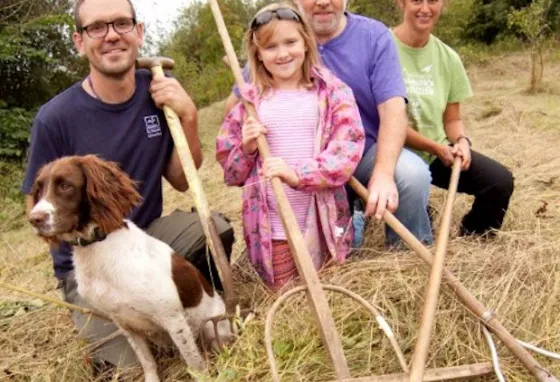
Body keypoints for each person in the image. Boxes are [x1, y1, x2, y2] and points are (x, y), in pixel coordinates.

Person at [21, 0, 234, 372]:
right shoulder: (54, 118)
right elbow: (36, 204)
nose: (112, 35)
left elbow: (183, 180)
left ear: (138, 32)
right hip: (86, 261)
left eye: (121, 23)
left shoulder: (156, 92)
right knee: (125, 370)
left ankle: (186, 306)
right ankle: (116, 326)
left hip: (143, 238)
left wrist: (188, 115)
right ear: (79, 41)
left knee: (215, 229)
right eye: (97, 28)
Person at [226, 0, 434, 247]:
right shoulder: (279, 38)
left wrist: (383, 173)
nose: (323, 2)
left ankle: (407, 255)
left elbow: (393, 108)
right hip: (301, 165)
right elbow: (236, 108)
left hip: (362, 153)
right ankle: (348, 224)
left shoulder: (373, 35)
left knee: (411, 175)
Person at [216, 3, 365, 291]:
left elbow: (347, 151)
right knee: (288, 300)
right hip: (273, 229)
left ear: (306, 44)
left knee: (329, 294)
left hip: (323, 223)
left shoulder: (333, 93)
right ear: (257, 54)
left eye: (291, 42)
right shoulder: (249, 104)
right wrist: (247, 149)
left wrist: (299, 175)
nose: (283, 53)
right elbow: (231, 173)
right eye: (271, 47)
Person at [392, 0, 514, 236]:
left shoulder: (448, 58)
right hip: (394, 153)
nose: (425, 8)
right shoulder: (383, 47)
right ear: (401, 3)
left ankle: (473, 237)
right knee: (418, 221)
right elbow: (386, 120)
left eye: (433, 1)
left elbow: (452, 119)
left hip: (436, 152)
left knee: (499, 182)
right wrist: (436, 147)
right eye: (416, 0)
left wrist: (461, 141)